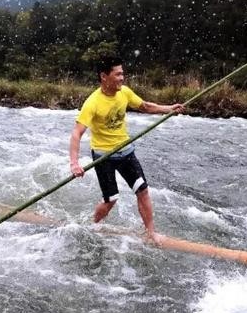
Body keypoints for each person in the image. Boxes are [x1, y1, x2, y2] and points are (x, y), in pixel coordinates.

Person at [69, 56, 184, 244]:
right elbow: (76, 133)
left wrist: (168, 108)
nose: (122, 78)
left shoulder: (125, 92)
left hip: (125, 152)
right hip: (103, 156)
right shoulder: (92, 102)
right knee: (111, 200)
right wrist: (74, 164)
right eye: (118, 74)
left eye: (123, 73)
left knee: (143, 190)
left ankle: (151, 233)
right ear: (104, 76)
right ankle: (92, 226)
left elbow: (145, 106)